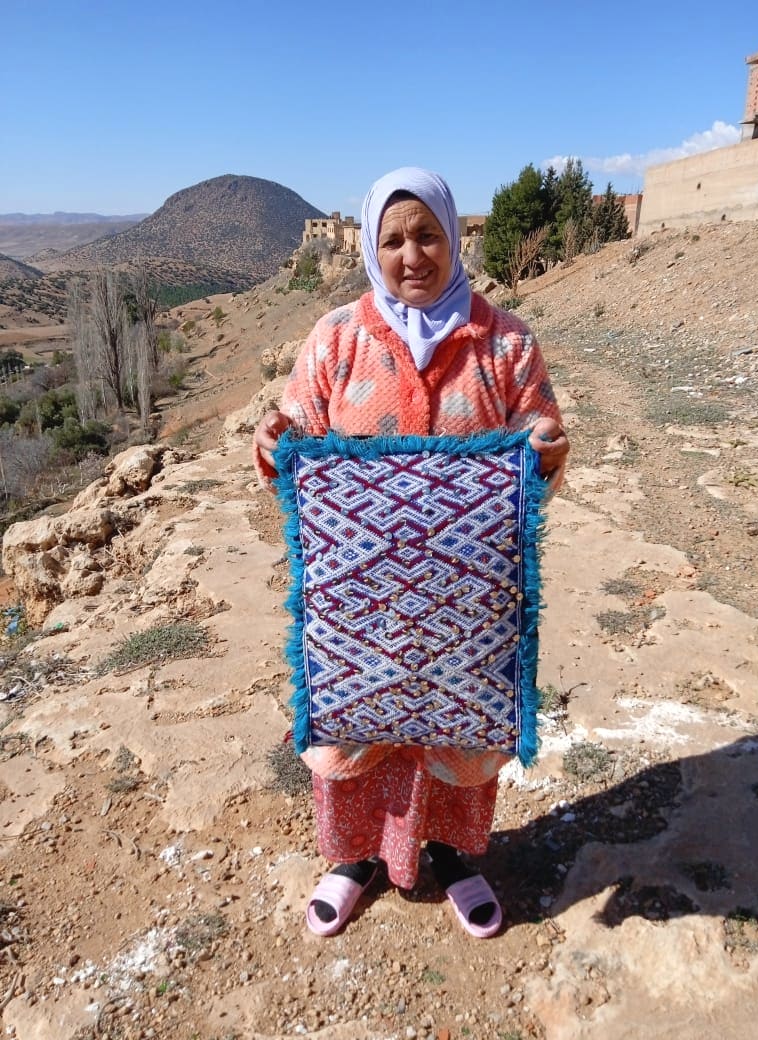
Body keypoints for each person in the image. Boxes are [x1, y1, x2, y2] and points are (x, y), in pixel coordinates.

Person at [253, 167, 569, 938]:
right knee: (357, 732)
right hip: (363, 605)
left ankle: (455, 853)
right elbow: (294, 438)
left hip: (468, 603)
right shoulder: (335, 339)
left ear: (454, 238)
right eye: (393, 239)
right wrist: (273, 445)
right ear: (371, 247)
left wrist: (546, 454)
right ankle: (355, 858)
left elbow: (538, 450)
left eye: (428, 234)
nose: (412, 254)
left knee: (459, 733)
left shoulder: (506, 343)